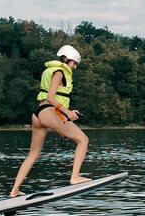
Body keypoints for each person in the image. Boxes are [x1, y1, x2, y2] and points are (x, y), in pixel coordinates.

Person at [9, 45, 91, 197]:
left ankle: (14, 190)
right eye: (73, 63)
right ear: (65, 59)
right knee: (83, 140)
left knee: (33, 154)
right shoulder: (59, 72)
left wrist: (63, 120)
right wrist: (68, 112)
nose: (75, 67)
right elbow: (51, 97)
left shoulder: (51, 70)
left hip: (39, 114)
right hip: (48, 112)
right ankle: (75, 177)